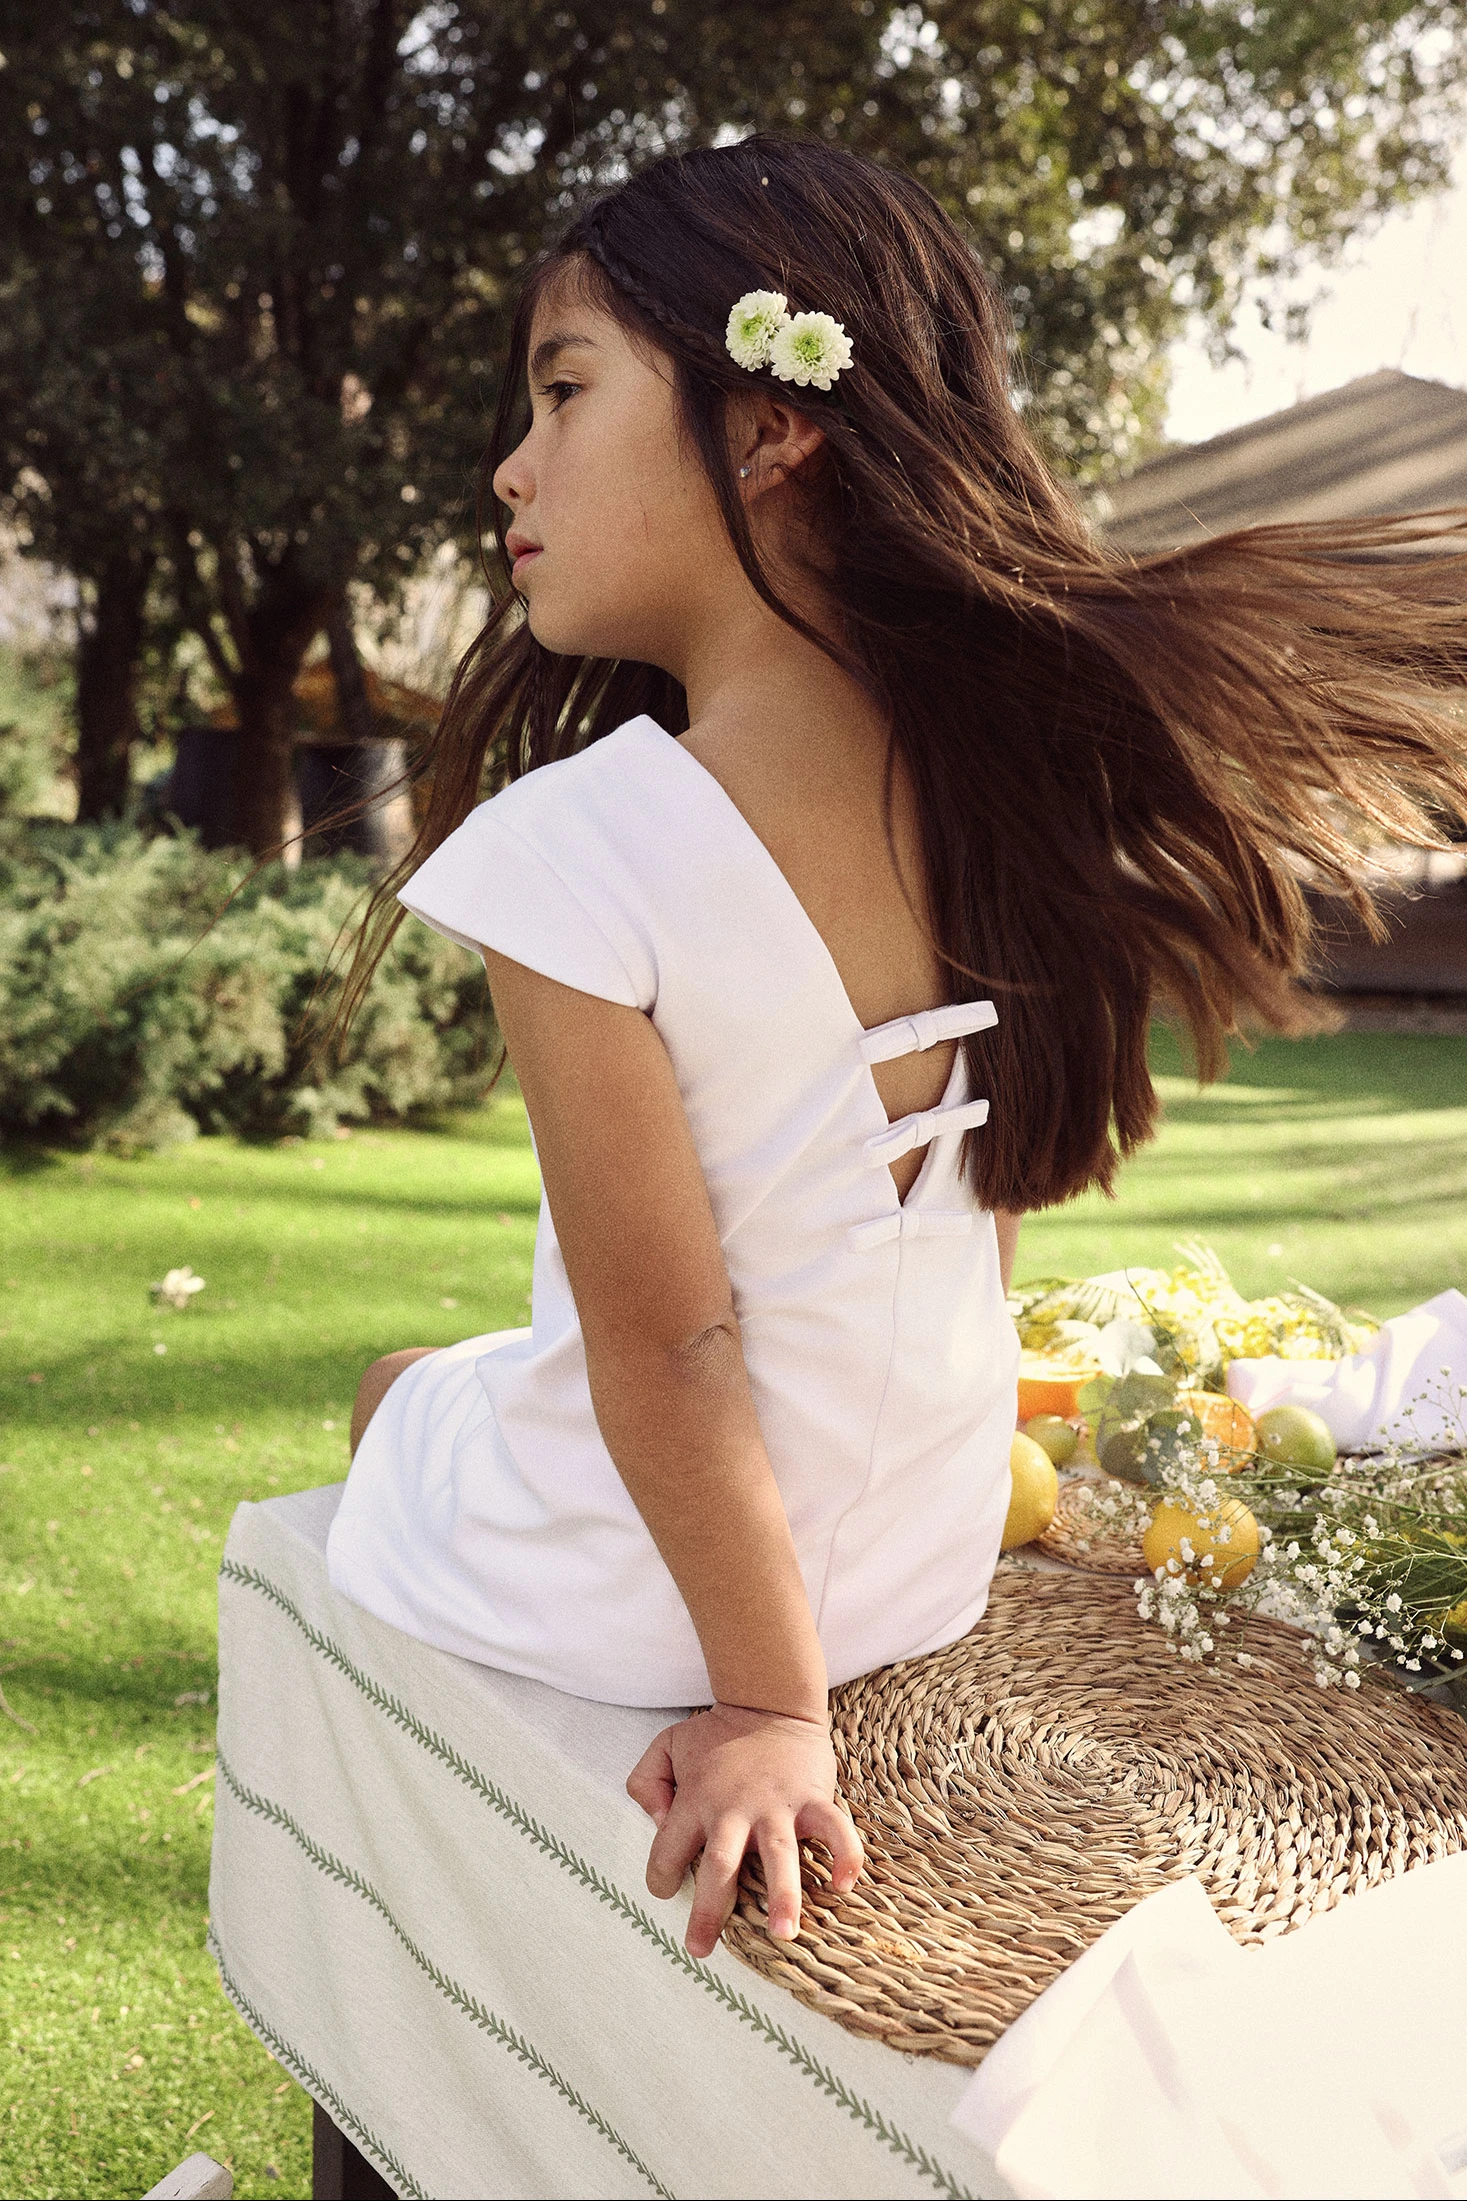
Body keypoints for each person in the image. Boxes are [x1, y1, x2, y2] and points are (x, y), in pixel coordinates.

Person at [324, 134, 1467, 1963]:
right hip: (923, 1558)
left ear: (768, 428)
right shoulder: (990, 799)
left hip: (659, 1604)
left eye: (562, 390)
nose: (509, 465)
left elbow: (671, 1347)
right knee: (457, 1379)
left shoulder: (570, 846)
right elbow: (976, 1215)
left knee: (398, 1388)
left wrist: (769, 1709)